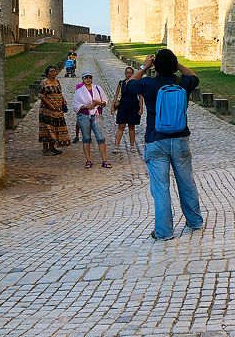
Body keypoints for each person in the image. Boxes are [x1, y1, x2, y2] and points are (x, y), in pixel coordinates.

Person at [124, 48, 203, 240]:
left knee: (160, 188)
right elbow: (195, 77)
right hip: (180, 138)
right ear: (174, 65)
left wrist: (144, 65)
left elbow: (129, 85)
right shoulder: (182, 83)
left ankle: (164, 231)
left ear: (156, 66)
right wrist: (177, 65)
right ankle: (194, 221)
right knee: (187, 183)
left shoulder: (150, 84)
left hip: (156, 139)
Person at [72, 72, 112, 169]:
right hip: (84, 116)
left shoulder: (98, 88)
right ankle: (88, 160)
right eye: (86, 77)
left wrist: (99, 102)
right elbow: (75, 105)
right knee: (86, 138)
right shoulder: (79, 91)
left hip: (96, 115)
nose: (88, 79)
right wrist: (86, 106)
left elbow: (105, 101)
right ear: (83, 79)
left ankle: (104, 160)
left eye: (90, 77)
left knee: (100, 138)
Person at [38, 65, 70, 155]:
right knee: (47, 129)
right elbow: (41, 96)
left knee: (55, 128)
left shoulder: (57, 82)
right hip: (47, 111)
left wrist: (63, 100)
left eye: (55, 71)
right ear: (47, 73)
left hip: (57, 111)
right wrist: (50, 105)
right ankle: (45, 149)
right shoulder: (44, 83)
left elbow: (59, 92)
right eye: (51, 71)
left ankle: (52, 147)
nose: (53, 73)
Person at [111, 66, 144, 154]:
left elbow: (140, 96)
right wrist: (112, 106)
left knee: (132, 127)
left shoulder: (136, 83)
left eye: (130, 73)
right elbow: (116, 95)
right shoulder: (121, 83)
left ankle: (132, 145)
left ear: (133, 74)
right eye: (127, 73)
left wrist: (141, 108)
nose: (128, 74)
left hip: (133, 107)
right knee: (121, 126)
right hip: (123, 107)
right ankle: (116, 145)